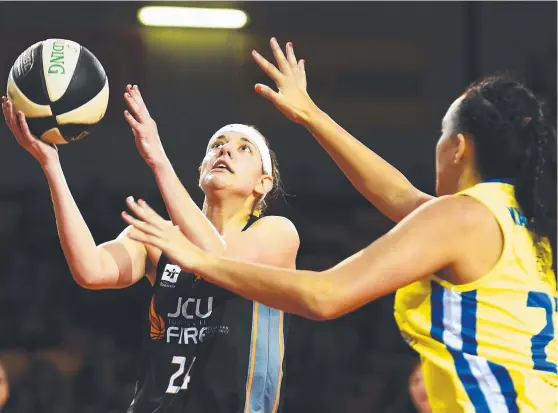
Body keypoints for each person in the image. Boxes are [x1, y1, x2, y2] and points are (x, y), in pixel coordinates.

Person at [121, 38, 558, 412]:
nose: (438, 146)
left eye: (442, 135)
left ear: (458, 147)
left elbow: (324, 296)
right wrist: (310, 114)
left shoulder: (460, 216)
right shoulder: (514, 221)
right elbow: (399, 196)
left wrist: (202, 259)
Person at [1, 85, 299, 413]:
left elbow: (219, 259)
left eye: (244, 149)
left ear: (263, 183)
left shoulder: (276, 233)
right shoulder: (160, 237)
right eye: (217, 145)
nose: (225, 151)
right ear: (201, 171)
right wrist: (51, 166)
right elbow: (89, 269)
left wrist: (158, 158)